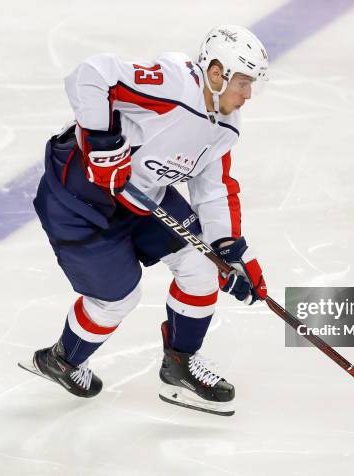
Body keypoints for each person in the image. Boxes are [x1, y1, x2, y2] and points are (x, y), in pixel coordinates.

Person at [20, 25, 269, 416]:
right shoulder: (173, 85)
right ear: (217, 73)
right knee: (117, 298)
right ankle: (64, 359)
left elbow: (215, 188)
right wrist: (102, 144)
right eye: (243, 82)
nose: (248, 94)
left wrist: (230, 249)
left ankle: (180, 365)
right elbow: (92, 75)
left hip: (142, 195)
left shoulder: (226, 124)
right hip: (78, 199)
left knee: (201, 263)